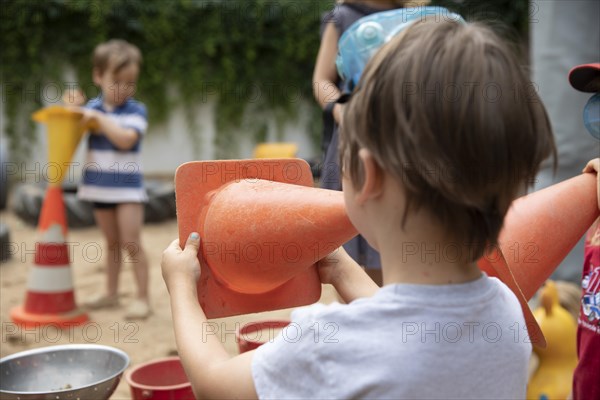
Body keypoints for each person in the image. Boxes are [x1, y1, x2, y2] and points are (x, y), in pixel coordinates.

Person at [162, 18, 556, 398]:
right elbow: (408, 333)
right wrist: (344, 270)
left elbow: (215, 385)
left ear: (367, 176)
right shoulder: (507, 311)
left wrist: (182, 290)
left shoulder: (329, 342)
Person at [313, 0, 428, 286]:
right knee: (348, 248)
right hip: (354, 138)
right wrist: (341, 110)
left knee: (398, 242)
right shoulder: (342, 17)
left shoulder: (419, 18)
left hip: (402, 140)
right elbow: (321, 80)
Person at [75, 39, 151, 319]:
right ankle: (111, 293)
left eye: (130, 83)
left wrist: (96, 117)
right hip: (99, 189)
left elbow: (124, 140)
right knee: (111, 244)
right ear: (98, 76)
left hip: (128, 191)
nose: (124, 89)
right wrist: (74, 110)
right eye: (117, 81)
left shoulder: (135, 112)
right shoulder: (92, 109)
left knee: (132, 242)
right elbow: (69, 130)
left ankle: (143, 297)